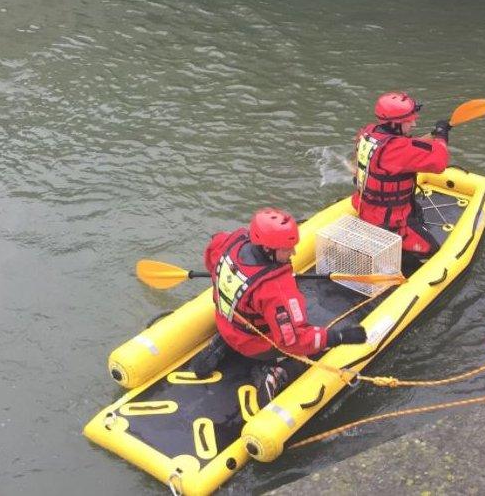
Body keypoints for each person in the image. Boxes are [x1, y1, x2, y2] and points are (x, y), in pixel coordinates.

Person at [193, 207, 367, 402]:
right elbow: (292, 340)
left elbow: (211, 258)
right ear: (267, 248)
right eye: (286, 249)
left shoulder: (231, 240)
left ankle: (223, 343)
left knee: (246, 315)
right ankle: (275, 372)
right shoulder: (276, 289)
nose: (293, 252)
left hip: (226, 323)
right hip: (255, 344)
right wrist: (338, 337)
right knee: (312, 351)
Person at [352, 91, 451, 256]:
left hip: (366, 206)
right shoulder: (396, 150)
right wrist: (442, 137)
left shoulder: (368, 133)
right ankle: (403, 262)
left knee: (416, 210)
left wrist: (434, 134)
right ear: (394, 124)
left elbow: (408, 147)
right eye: (408, 121)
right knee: (431, 249)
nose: (413, 124)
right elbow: (439, 162)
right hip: (387, 222)